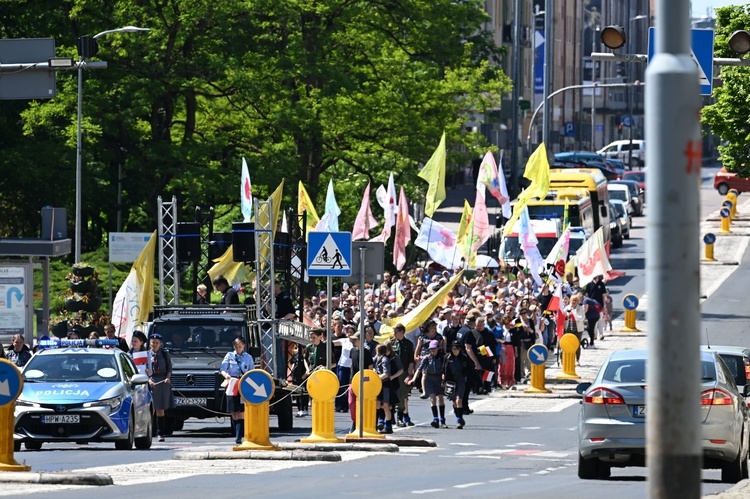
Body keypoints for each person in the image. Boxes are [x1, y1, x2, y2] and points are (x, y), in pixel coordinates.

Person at [220, 337, 255, 444]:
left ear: (244, 346)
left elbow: (251, 371)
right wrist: (227, 376)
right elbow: (222, 369)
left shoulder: (248, 357)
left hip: (243, 383)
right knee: (234, 412)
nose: (238, 348)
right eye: (236, 346)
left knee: (242, 411)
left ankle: (239, 436)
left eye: (240, 346)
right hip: (232, 383)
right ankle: (236, 432)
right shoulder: (229, 356)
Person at [409, 339, 447, 428]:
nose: (432, 351)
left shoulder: (443, 358)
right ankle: (435, 418)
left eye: (434, 349)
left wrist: (444, 377)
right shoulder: (427, 358)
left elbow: (446, 368)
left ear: (438, 348)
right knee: (432, 398)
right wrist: (413, 379)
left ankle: (442, 420)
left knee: (440, 398)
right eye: (431, 349)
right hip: (430, 379)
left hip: (439, 379)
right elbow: (419, 369)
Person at [388, 323, 415, 427]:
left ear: (402, 332)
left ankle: (400, 417)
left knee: (401, 395)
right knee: (391, 394)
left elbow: (411, 361)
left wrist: (409, 375)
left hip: (403, 372)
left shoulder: (408, 344)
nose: (394, 334)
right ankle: (390, 418)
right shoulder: (391, 343)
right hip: (392, 372)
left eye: (396, 332)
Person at [148, 333, 173, 442]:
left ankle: (160, 433)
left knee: (160, 409)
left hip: (162, 381)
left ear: (160, 344)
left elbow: (169, 369)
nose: (154, 345)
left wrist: (167, 378)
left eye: (157, 343)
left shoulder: (164, 354)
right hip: (151, 381)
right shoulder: (146, 355)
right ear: (150, 343)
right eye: (153, 342)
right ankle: (150, 432)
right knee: (151, 409)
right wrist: (148, 380)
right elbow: (142, 369)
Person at [347, 331, 374, 433]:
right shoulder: (352, 351)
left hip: (363, 382)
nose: (353, 342)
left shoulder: (366, 353)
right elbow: (352, 364)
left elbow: (370, 369)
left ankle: (360, 423)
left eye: (355, 340)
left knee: (362, 404)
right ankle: (354, 421)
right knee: (351, 403)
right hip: (352, 381)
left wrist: (367, 381)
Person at [444, 341, 470, 429]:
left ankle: (459, 420)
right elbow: (444, 369)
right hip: (451, 382)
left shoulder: (463, 358)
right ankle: (458, 416)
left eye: (457, 349)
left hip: (460, 381)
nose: (455, 351)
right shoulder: (447, 357)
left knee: (459, 400)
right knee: (454, 401)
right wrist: (443, 380)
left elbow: (469, 369)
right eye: (454, 349)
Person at [374, 344, 395, 434]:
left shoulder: (385, 360)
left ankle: (388, 426)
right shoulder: (377, 359)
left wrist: (376, 377)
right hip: (379, 384)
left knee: (386, 405)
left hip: (385, 384)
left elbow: (386, 373)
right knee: (377, 404)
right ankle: (375, 425)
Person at [287, 343, 310, 417]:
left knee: (304, 394)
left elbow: (307, 369)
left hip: (303, 377)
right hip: (296, 377)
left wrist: (305, 375)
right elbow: (292, 365)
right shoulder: (295, 356)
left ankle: (305, 409)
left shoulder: (305, 357)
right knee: (297, 394)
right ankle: (300, 409)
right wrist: (290, 374)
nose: (298, 350)